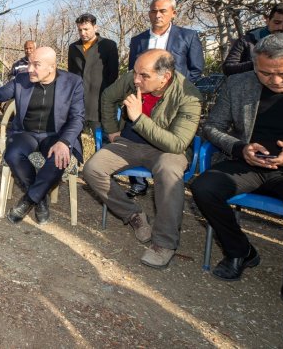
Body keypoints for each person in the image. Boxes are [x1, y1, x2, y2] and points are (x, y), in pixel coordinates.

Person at [191, 33, 283, 313]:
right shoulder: (239, 83)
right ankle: (240, 251)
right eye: (266, 73)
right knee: (203, 188)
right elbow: (213, 127)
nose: (276, 81)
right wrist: (240, 147)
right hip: (248, 163)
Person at [82, 49, 202, 268]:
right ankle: (133, 214)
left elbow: (177, 143)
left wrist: (138, 118)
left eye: (144, 76)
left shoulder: (189, 96)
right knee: (92, 169)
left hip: (167, 150)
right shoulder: (133, 78)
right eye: (135, 73)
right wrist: (111, 129)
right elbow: (108, 96)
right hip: (130, 141)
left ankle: (164, 243)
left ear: (165, 77)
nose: (136, 80)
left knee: (169, 172)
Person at [0, 47, 84, 224]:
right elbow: (0, 94)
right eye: (29, 63)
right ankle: (40, 200)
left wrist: (65, 142)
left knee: (59, 157)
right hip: (26, 133)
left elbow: (77, 118)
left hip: (56, 135)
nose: (29, 69)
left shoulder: (73, 82)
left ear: (52, 67)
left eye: (36, 65)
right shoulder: (21, 79)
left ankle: (28, 200)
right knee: (12, 154)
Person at [126, 0, 204, 197]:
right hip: (144, 99)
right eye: (153, 11)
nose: (157, 15)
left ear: (173, 13)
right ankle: (138, 183)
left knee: (167, 141)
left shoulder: (188, 36)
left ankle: (164, 180)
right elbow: (131, 70)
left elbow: (196, 69)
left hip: (173, 102)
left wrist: (173, 90)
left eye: (162, 10)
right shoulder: (138, 40)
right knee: (138, 133)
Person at [67, 13, 119, 129]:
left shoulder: (108, 45)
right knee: (75, 136)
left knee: (101, 139)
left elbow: (113, 74)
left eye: (86, 29)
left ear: (95, 28)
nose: (83, 33)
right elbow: (71, 75)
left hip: (100, 101)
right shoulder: (73, 47)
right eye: (80, 30)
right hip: (79, 101)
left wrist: (107, 96)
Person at [222, 2, 283, 75]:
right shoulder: (246, 40)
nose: (281, 27)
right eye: (277, 22)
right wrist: (261, 63)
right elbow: (228, 68)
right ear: (268, 20)